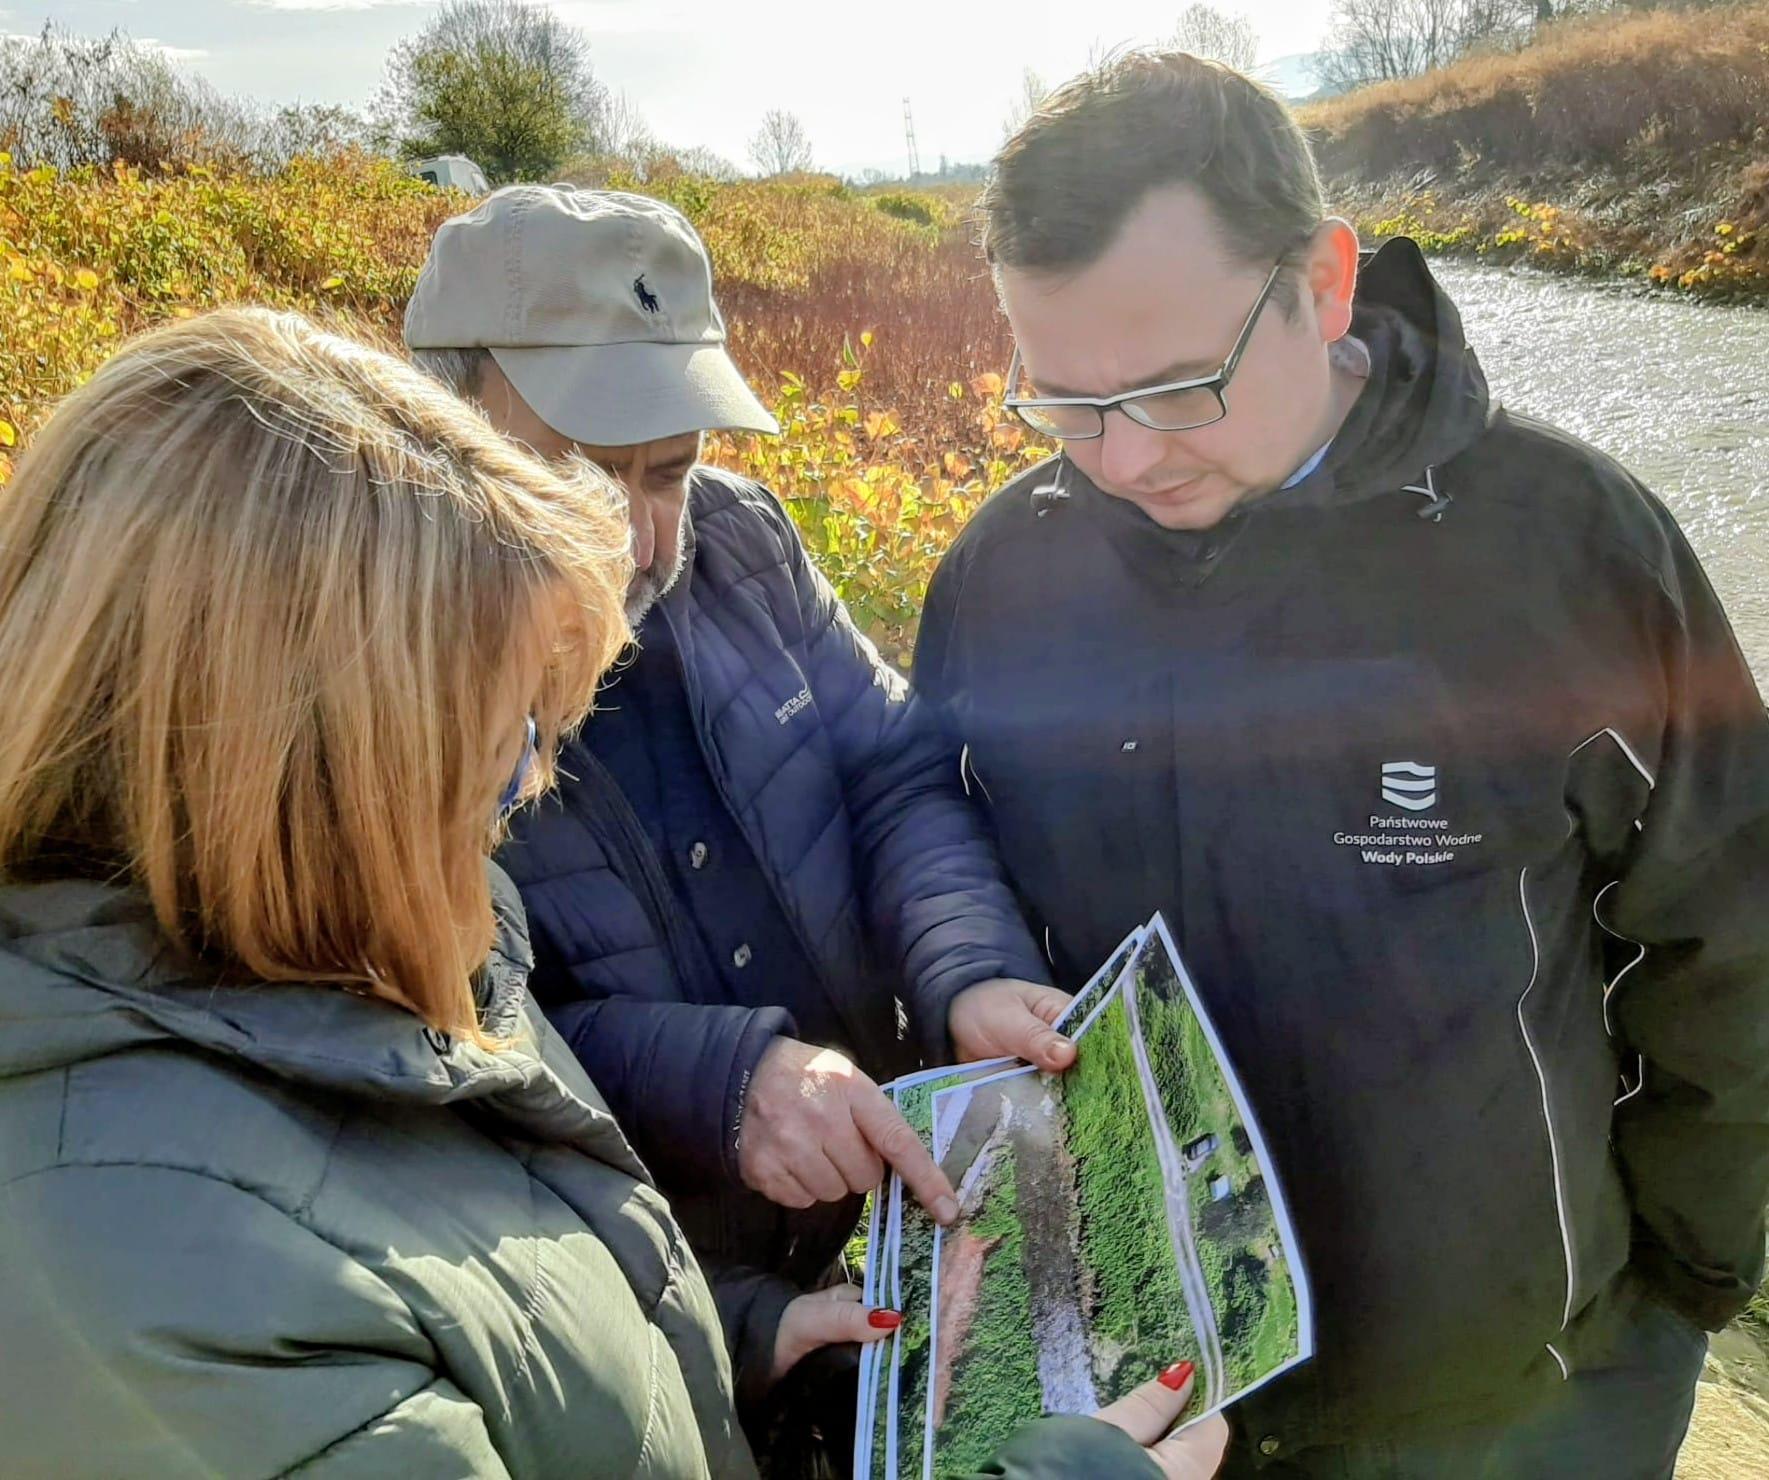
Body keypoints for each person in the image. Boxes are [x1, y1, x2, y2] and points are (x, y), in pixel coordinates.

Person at [0, 306, 1229, 1480]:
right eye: (497, 763)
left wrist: (746, 1337)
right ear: (303, 770)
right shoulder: (155, 1281)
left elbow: (520, 1287)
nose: (523, 799)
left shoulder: (365, 958)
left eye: (668, 471)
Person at [913, 50, 1769, 1478]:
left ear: (1321, 281)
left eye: (1177, 386)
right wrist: (968, 966)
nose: (1120, 459)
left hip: (1513, 1407)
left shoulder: (1570, 551)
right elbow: (928, 821)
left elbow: (1728, 944)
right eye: (1061, 401)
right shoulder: (1006, 571)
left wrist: (1678, 1299)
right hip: (1154, 1413)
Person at [403, 185, 1072, 1428]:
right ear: (441, 425)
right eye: (573, 473)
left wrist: (965, 967)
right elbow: (432, 1045)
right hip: (649, 1304)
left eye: (668, 470)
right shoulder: (383, 680)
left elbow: (893, 772)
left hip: (862, 1236)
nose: (637, 538)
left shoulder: (744, 545)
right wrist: (718, 1086)